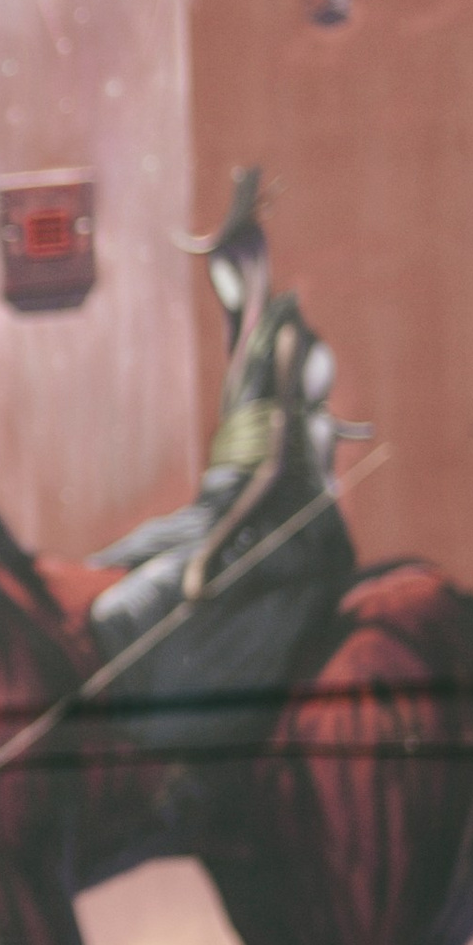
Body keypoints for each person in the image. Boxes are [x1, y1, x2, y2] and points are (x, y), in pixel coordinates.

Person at [87, 168, 360, 747]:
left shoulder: (285, 338)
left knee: (138, 606)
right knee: (104, 571)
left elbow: (274, 467)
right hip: (215, 509)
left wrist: (208, 555)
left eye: (227, 262)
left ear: (251, 259)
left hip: (277, 523)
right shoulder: (240, 345)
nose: (221, 279)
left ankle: (165, 746)